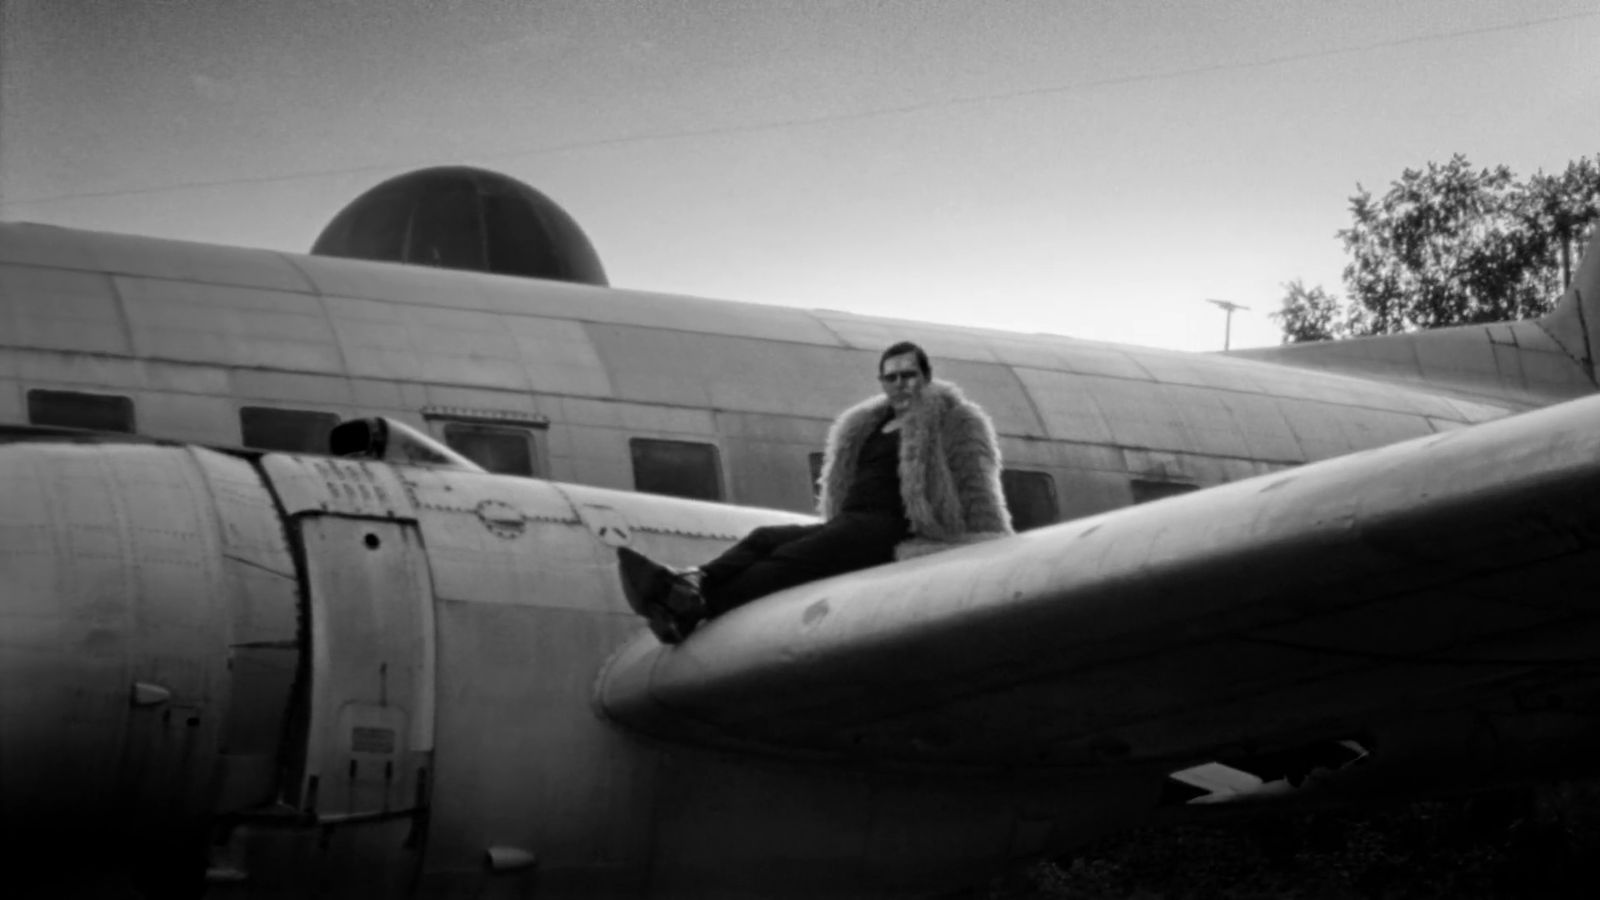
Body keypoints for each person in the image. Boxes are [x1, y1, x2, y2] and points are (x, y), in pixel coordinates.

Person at [617, 340, 1012, 643]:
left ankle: (698, 609)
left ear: (925, 377)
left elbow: (977, 486)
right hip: (850, 520)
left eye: (907, 375)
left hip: (892, 529)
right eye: (889, 377)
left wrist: (989, 551)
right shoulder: (871, 424)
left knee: (793, 558)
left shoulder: (955, 420)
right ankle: (690, 583)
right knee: (764, 538)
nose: (899, 384)